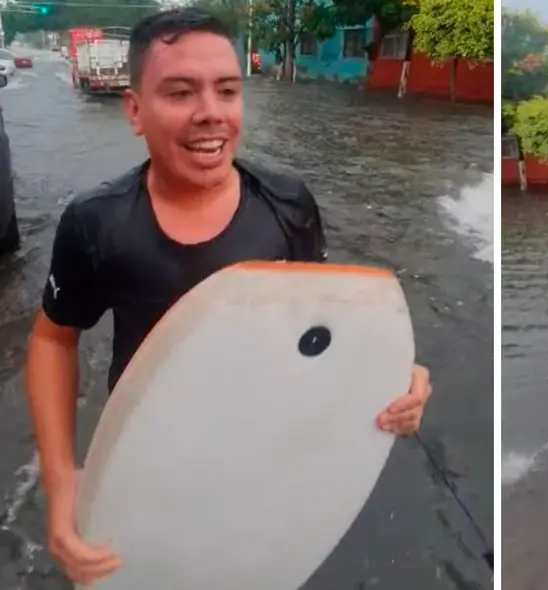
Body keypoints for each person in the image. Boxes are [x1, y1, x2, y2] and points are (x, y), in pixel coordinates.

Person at [24, 8, 433, 586]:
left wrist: (393, 374)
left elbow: (323, 329)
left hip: (268, 454)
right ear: (135, 111)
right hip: (152, 457)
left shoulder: (287, 205)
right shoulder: (98, 224)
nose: (210, 113)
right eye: (179, 92)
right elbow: (51, 339)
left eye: (227, 90)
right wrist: (62, 478)